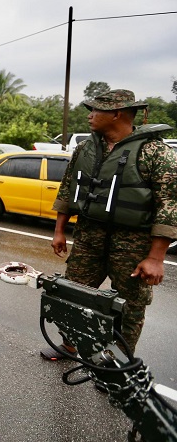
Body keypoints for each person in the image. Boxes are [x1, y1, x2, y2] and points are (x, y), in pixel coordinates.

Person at [42, 89, 177, 360]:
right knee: (73, 293)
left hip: (133, 243)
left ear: (117, 114)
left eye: (96, 110)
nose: (90, 116)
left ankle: (118, 362)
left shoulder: (154, 151)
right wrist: (59, 231)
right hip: (89, 236)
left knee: (131, 305)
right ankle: (70, 344)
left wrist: (155, 257)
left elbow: (170, 204)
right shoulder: (86, 148)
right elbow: (68, 190)